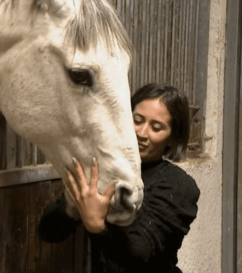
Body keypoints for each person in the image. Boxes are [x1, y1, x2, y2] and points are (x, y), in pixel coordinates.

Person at [38, 83, 200, 273]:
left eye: (156, 127)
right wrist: (72, 209)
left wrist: (98, 226)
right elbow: (47, 231)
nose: (141, 133)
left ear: (172, 138)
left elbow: (140, 254)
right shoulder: (104, 169)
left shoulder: (179, 186)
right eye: (137, 120)